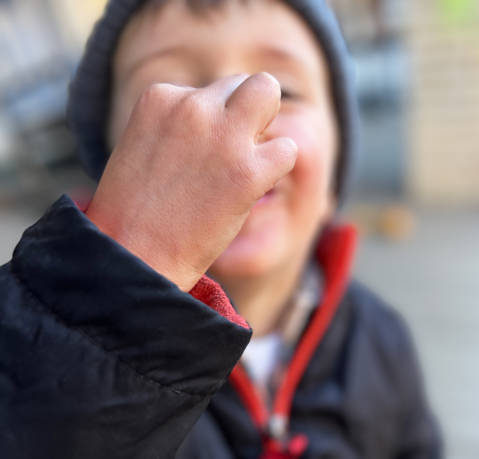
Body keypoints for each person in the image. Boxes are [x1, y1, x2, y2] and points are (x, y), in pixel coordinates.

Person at [0, 0, 442, 457]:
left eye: (285, 91)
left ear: (335, 174)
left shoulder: (384, 340)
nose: (234, 118)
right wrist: (113, 306)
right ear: (111, 171)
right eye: (175, 96)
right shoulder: (40, 343)